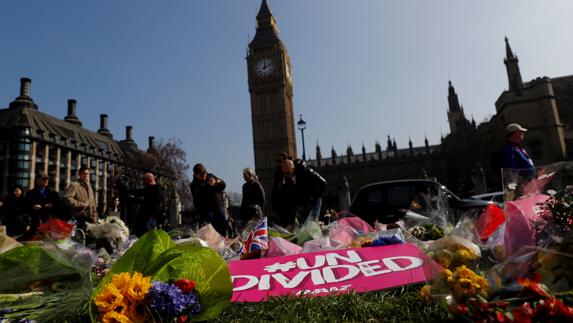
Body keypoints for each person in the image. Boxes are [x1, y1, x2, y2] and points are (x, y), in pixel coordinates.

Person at [271, 158, 327, 231]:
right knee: (304, 224)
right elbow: (292, 200)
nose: (285, 175)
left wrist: (313, 195)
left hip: (315, 198)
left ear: (293, 168)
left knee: (313, 221)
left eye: (287, 172)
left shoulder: (307, 171)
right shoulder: (287, 180)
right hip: (304, 202)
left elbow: (324, 184)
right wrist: (291, 221)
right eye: (284, 173)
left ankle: (318, 239)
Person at [190, 163, 227, 236]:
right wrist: (209, 185)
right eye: (201, 175)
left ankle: (223, 241)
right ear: (195, 175)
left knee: (223, 226)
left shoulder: (210, 176)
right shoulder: (194, 185)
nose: (204, 176)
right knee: (212, 229)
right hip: (207, 210)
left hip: (218, 206)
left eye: (204, 173)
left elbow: (223, 185)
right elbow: (199, 196)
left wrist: (217, 182)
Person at [23, 173, 60, 238]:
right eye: (44, 179)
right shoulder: (31, 193)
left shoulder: (53, 193)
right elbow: (24, 207)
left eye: (47, 179)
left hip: (50, 223)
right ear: (37, 180)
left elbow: (60, 206)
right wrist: (33, 207)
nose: (46, 181)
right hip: (35, 223)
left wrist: (52, 205)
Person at [132, 172, 164, 237]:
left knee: (148, 234)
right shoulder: (153, 189)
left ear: (150, 180)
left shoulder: (157, 189)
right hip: (147, 217)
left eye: (144, 180)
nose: (143, 182)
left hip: (150, 217)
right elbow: (138, 192)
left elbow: (153, 201)